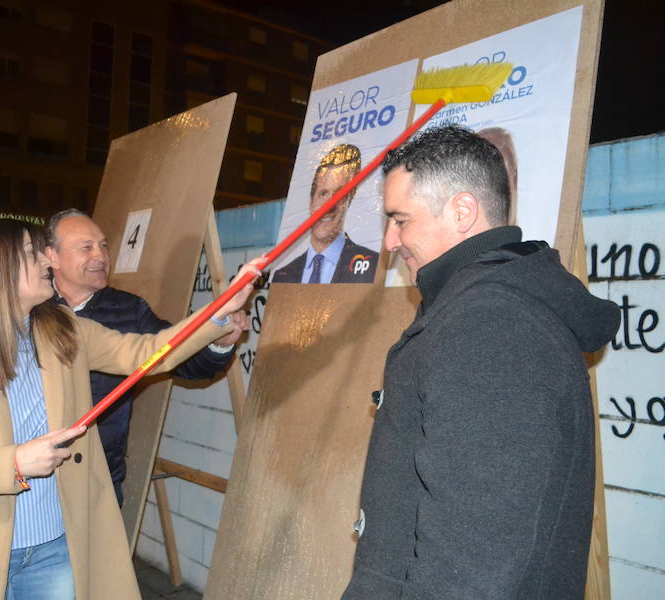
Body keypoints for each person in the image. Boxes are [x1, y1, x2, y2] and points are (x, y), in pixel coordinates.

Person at [0, 219, 259, 599]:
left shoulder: (65, 327)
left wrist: (219, 312)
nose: (46, 261)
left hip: (57, 548)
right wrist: (14, 463)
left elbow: (149, 352)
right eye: (32, 253)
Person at [342, 125, 620, 599]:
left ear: (463, 211)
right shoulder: (476, 308)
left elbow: (471, 563)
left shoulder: (491, 327)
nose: (389, 241)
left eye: (400, 220)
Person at [44, 209, 247, 504]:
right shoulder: (33, 309)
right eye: (86, 247)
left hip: (100, 476)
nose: (100, 256)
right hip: (41, 470)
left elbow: (180, 358)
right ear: (53, 256)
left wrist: (220, 343)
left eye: (103, 246)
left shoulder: (129, 310)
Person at [273, 143, 379, 284]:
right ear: (311, 202)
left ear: (349, 199)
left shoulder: (372, 267)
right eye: (323, 193)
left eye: (339, 195)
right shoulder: (282, 276)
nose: (328, 207)